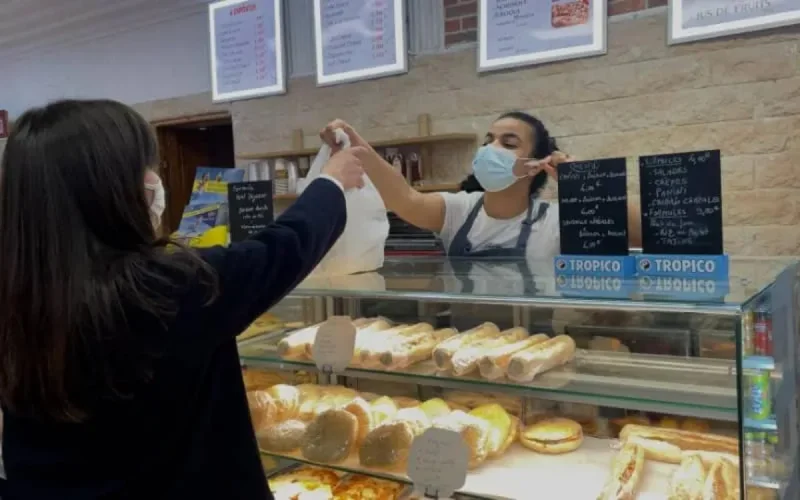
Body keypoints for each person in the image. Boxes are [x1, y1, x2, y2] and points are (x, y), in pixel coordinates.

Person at [0, 99, 367, 499]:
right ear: (111, 187)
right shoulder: (166, 290)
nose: (155, 179)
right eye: (146, 165)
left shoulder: (16, 297)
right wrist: (332, 182)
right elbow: (286, 246)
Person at [321, 111, 642, 265]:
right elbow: (405, 198)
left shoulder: (555, 220)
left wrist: (584, 182)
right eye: (488, 141)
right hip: (462, 351)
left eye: (508, 143)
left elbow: (643, 232)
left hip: (530, 354)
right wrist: (356, 144)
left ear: (535, 164)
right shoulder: (459, 210)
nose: (491, 149)